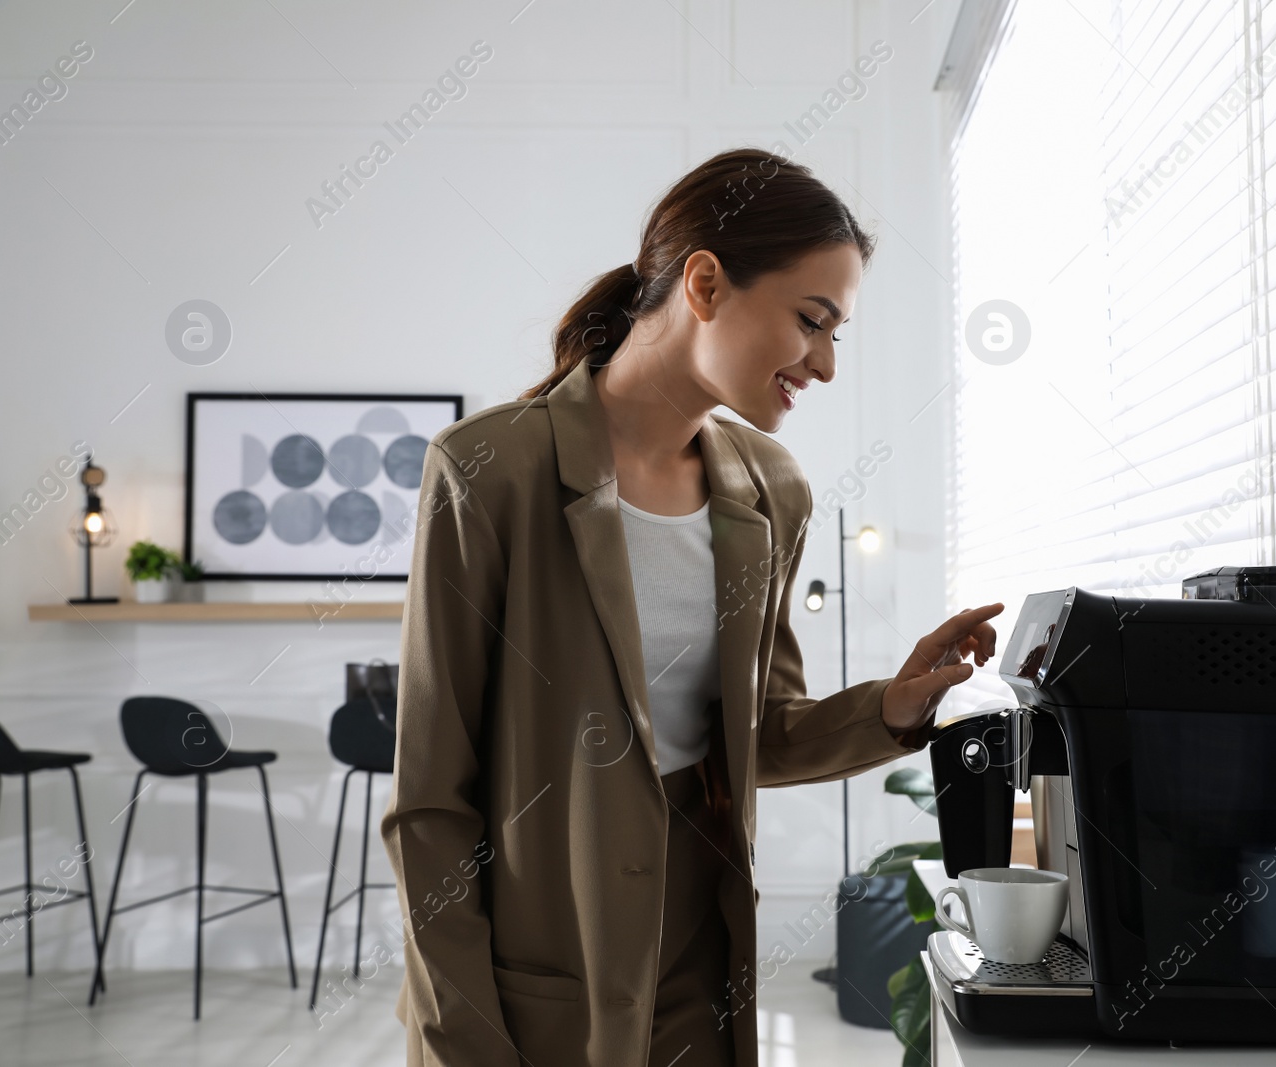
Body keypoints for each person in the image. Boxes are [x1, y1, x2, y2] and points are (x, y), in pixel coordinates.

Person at [380, 147, 1003, 1066]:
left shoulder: (772, 488)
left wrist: (892, 705)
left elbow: (764, 735)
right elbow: (431, 803)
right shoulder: (487, 470)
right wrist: (462, 1034)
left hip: (704, 960)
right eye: (812, 320)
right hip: (542, 974)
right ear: (705, 283)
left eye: (839, 335)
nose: (824, 364)